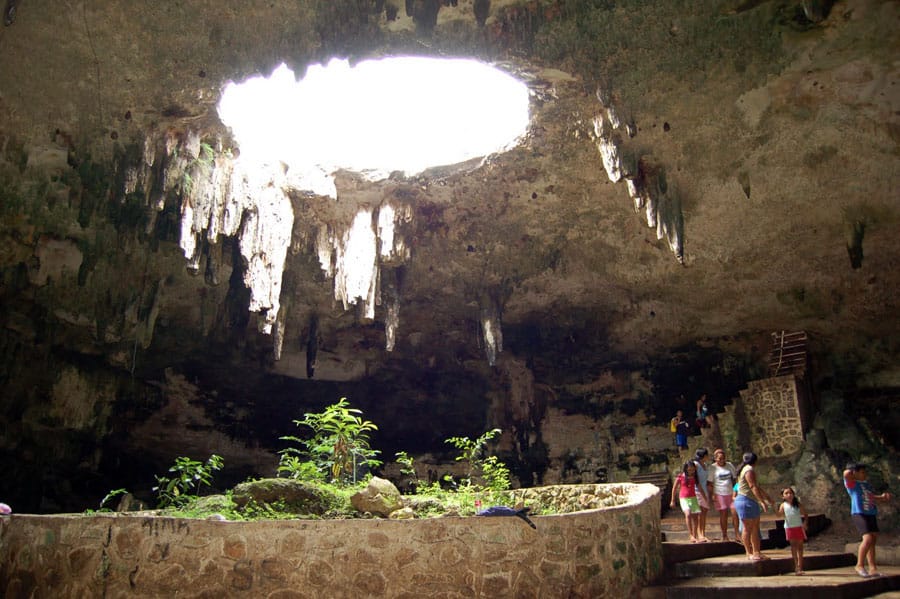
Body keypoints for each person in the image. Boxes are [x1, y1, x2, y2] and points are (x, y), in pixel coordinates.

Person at [843, 462, 893, 578]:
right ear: (855, 473)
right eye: (862, 472)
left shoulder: (866, 485)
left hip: (870, 513)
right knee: (868, 538)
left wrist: (882, 497)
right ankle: (859, 565)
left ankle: (873, 568)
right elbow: (846, 474)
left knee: (873, 540)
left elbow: (870, 497)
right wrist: (852, 469)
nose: (865, 474)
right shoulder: (852, 484)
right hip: (859, 513)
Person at [734, 451, 773, 560]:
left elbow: (756, 486)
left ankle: (756, 552)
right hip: (745, 500)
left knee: (755, 527)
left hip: (749, 501)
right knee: (748, 528)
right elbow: (752, 486)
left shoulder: (746, 469)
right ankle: (749, 553)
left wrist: (767, 497)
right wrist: (762, 501)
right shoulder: (748, 470)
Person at [670, 460, 704, 543]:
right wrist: (672, 500)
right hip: (684, 498)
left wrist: (705, 497)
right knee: (688, 514)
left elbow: (699, 488)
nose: (691, 471)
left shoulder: (695, 477)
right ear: (686, 469)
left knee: (695, 517)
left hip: (693, 498)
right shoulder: (680, 477)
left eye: (692, 470)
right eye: (689, 470)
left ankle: (695, 535)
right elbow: (674, 488)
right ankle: (691, 534)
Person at [710, 448, 740, 542]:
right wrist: (712, 494)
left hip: (731, 493)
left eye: (723, 458)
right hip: (719, 493)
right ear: (715, 459)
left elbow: (735, 480)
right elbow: (709, 482)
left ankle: (737, 534)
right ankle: (724, 535)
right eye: (719, 458)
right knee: (723, 514)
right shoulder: (712, 468)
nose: (722, 460)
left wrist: (736, 491)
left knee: (735, 513)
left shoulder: (729, 465)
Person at [777, 487, 809, 574]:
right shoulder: (783, 505)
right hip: (789, 527)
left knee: (800, 546)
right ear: (783, 496)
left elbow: (805, 514)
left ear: (793, 494)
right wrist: (774, 507)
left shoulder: (798, 504)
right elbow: (779, 515)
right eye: (786, 493)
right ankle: (796, 566)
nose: (789, 495)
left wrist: (805, 523)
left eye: (790, 493)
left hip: (798, 527)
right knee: (793, 546)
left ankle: (800, 566)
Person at [692, 448, 712, 542]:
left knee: (704, 512)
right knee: (699, 513)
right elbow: (694, 478)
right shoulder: (696, 465)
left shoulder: (705, 465)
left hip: (705, 490)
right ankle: (699, 534)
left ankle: (703, 533)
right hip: (697, 491)